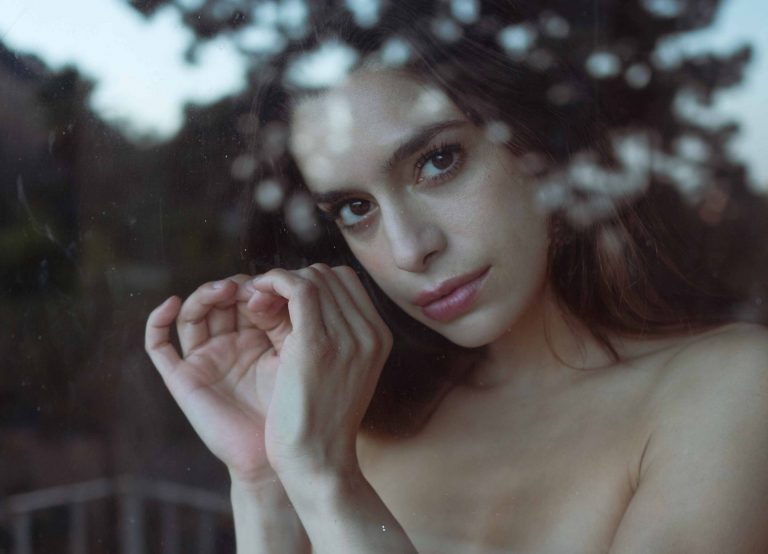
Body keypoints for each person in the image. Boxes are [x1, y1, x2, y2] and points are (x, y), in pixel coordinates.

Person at [145, 4, 768, 553]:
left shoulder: (729, 388)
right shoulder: (355, 432)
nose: (410, 249)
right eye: (356, 209)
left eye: (438, 161)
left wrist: (329, 485)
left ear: (536, 148)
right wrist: (265, 480)